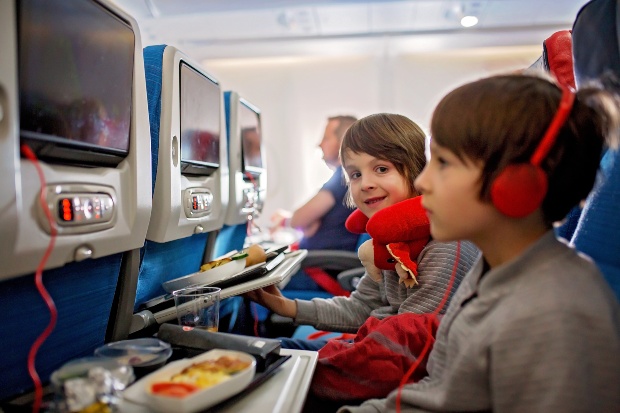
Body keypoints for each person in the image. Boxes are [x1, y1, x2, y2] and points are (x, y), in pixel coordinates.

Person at [339, 73, 620, 413]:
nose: (423, 181)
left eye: (442, 163)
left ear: (515, 187)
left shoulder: (553, 315)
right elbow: (439, 394)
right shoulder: (492, 269)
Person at [246, 113, 479, 351]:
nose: (365, 183)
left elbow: (407, 349)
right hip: (374, 349)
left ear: (419, 172)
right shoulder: (389, 240)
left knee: (266, 355)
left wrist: (326, 360)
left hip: (393, 362)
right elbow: (362, 308)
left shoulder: (444, 246)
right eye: (355, 174)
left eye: (381, 168)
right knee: (264, 349)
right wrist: (287, 306)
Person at [271, 115, 360, 292]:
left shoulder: (343, 177)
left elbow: (299, 220)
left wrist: (292, 220)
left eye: (326, 138)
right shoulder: (346, 177)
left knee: (254, 287)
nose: (319, 144)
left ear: (343, 141)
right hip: (321, 267)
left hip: (321, 272)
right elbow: (308, 223)